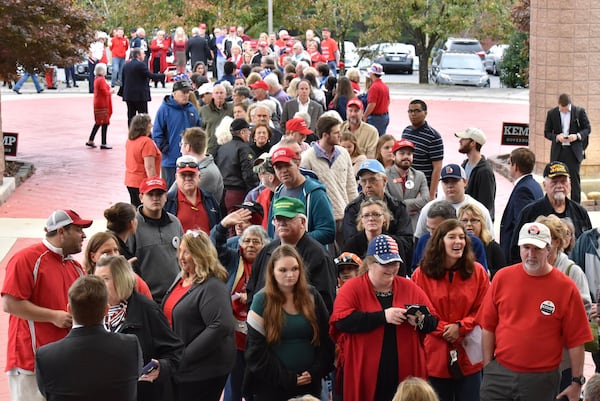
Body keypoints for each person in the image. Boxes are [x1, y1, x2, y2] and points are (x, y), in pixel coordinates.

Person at [477, 222, 592, 401]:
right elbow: (488, 326)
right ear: (519, 248)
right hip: (499, 374)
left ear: (549, 249)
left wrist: (577, 382)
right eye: (526, 247)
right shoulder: (502, 278)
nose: (531, 254)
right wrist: (489, 367)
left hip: (541, 378)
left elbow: (576, 340)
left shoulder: (565, 287)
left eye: (537, 248)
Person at [330, 234, 438, 401]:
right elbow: (341, 322)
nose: (392, 268)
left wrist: (419, 320)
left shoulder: (408, 287)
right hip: (365, 370)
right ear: (370, 263)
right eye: (386, 263)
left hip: (404, 372)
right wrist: (382, 316)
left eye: (395, 263)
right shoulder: (353, 287)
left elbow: (433, 321)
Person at [2, 209, 92, 401]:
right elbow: (10, 304)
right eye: (78, 230)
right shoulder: (26, 259)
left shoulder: (75, 267)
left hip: (65, 362)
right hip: (30, 361)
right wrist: (53, 316)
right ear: (61, 232)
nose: (84, 235)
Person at [412, 219, 489, 401]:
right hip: (434, 356)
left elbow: (484, 308)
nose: (458, 242)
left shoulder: (477, 272)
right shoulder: (421, 274)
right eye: (452, 237)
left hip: (469, 352)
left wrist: (461, 327)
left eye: (462, 237)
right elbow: (418, 311)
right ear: (440, 241)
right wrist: (445, 330)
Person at [245, 244, 335, 400]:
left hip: (310, 385)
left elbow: (327, 340)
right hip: (272, 387)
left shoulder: (312, 295)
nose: (290, 275)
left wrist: (315, 372)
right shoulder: (261, 301)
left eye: (295, 269)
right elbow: (255, 352)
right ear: (272, 272)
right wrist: (287, 378)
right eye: (283, 270)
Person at [35, 276, 142, 401]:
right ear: (106, 310)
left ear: (69, 309)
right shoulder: (130, 346)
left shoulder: (45, 356)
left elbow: (45, 391)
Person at [94, 255, 184, 401]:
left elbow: (175, 352)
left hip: (143, 393)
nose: (98, 285)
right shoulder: (93, 310)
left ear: (120, 279)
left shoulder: (147, 310)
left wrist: (161, 366)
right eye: (96, 279)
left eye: (105, 279)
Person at [161, 230, 235, 401]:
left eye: (187, 251)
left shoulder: (212, 286)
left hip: (202, 372)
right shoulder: (181, 278)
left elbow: (220, 325)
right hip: (180, 367)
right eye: (180, 250)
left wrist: (184, 356)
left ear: (201, 254)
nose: (181, 256)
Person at [212, 215, 269, 401]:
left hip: (260, 334)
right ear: (240, 244)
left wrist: (251, 298)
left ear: (265, 245)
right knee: (233, 386)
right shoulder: (231, 258)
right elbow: (216, 245)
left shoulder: (270, 264)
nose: (251, 245)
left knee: (257, 385)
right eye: (246, 241)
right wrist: (222, 226)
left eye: (256, 241)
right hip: (233, 333)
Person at [247, 196, 337, 314]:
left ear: (303, 222)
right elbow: (252, 288)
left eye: (287, 219)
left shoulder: (319, 256)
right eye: (278, 219)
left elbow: (325, 303)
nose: (281, 223)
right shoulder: (266, 251)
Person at [534, 214, 592, 393]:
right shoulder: (530, 268)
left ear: (558, 242)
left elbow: (583, 314)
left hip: (563, 361)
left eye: (547, 240)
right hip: (534, 361)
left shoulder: (572, 271)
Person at [509, 161, 592, 264]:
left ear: (570, 184)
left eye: (563, 181)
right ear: (545, 185)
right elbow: (516, 251)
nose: (559, 186)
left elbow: (590, 247)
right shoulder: (530, 213)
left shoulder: (580, 212)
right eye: (554, 182)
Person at [343, 159, 414, 275]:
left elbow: (407, 242)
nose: (368, 185)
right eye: (363, 181)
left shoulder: (398, 207)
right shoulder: (352, 210)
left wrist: (381, 243)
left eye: (372, 180)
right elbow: (349, 244)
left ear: (384, 181)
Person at [301, 115, 359, 250]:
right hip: (322, 220)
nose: (340, 135)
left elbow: (351, 185)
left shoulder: (344, 153)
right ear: (325, 135)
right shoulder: (307, 158)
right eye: (336, 133)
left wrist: (356, 212)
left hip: (345, 217)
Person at [128, 177, 183, 303]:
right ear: (141, 197)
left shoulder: (175, 222)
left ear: (166, 197)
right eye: (150, 194)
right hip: (146, 299)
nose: (155, 198)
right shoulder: (131, 226)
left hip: (175, 296)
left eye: (159, 194)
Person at [268, 147, 336, 246]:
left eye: (287, 165)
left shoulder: (315, 193)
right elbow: (271, 231)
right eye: (278, 167)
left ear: (298, 164)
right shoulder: (278, 192)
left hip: (308, 257)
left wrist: (295, 240)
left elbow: (328, 232)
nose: (283, 171)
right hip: (281, 256)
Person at [414, 164, 494, 239]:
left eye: (454, 181)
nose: (450, 185)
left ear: (465, 182)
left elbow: (490, 239)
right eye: (446, 182)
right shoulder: (429, 208)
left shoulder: (479, 209)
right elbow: (419, 238)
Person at [411, 200, 489, 274]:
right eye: (429, 228)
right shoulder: (424, 240)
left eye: (436, 230)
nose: (432, 234)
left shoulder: (474, 243)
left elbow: (482, 276)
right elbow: (414, 270)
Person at [152, 79, 202, 188]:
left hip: (191, 160)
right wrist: (166, 149)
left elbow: (199, 130)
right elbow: (157, 133)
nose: (186, 95)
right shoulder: (164, 109)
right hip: (171, 161)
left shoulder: (191, 109)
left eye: (188, 92)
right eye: (183, 92)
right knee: (171, 193)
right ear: (174, 93)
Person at [544, 93, 591, 203]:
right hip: (558, 152)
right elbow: (546, 132)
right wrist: (556, 137)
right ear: (558, 105)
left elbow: (587, 129)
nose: (564, 111)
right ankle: (555, 204)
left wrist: (577, 136)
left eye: (566, 110)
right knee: (555, 179)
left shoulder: (579, 112)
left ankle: (575, 207)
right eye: (562, 109)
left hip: (573, 151)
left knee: (574, 181)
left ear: (570, 105)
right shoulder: (552, 113)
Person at [499, 147, 544, 259]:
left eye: (510, 164)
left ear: (515, 167)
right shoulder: (534, 185)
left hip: (517, 254)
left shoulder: (523, 190)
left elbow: (522, 223)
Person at [82, 231, 152, 298]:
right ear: (93, 257)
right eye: (106, 252)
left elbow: (148, 306)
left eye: (116, 250)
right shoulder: (85, 284)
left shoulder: (134, 279)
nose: (114, 255)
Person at [165, 155, 221, 233]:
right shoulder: (167, 202)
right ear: (176, 178)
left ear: (199, 177)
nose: (188, 178)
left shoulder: (210, 199)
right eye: (183, 175)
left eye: (191, 175)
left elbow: (218, 229)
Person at [214, 118, 259, 213]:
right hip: (238, 194)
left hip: (222, 194)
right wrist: (255, 191)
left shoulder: (222, 148)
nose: (250, 134)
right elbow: (249, 174)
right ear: (242, 132)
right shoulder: (244, 149)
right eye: (248, 131)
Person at [402, 99, 444, 200]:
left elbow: (437, 168)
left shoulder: (433, 137)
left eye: (417, 111)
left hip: (424, 188)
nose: (413, 114)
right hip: (407, 185)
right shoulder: (406, 132)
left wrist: (432, 194)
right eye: (410, 111)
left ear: (425, 113)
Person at [385, 139, 430, 232]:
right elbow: (386, 200)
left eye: (409, 154)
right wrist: (413, 205)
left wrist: (401, 205)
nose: (406, 156)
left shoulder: (420, 176)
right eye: (402, 153)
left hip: (414, 226)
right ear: (393, 156)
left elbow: (426, 199)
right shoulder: (385, 175)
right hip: (393, 226)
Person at [456, 127, 496, 218]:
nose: (460, 141)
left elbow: (486, 204)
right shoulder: (464, 165)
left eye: (464, 139)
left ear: (473, 143)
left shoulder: (485, 171)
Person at [121, 48, 166, 126]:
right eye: (143, 53)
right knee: (144, 116)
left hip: (128, 94)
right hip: (140, 95)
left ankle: (131, 133)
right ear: (138, 55)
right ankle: (145, 134)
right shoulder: (141, 65)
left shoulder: (126, 65)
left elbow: (123, 79)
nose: (144, 55)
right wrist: (164, 75)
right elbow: (151, 76)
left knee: (131, 116)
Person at [458, 203, 505, 278]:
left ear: (482, 223)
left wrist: (488, 273)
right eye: (464, 221)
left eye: (473, 220)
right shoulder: (456, 247)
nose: (469, 224)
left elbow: (504, 273)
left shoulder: (493, 247)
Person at [177, 127, 224, 202]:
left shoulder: (206, 173)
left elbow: (177, 198)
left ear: (187, 147)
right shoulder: (204, 168)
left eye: (181, 145)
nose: (180, 150)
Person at [124, 113, 161, 206]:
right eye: (149, 123)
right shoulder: (146, 142)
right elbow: (149, 167)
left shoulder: (130, 141)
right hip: (142, 182)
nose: (151, 125)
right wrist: (154, 185)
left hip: (130, 180)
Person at [201, 83, 235, 155]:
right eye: (216, 93)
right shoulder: (204, 110)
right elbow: (201, 129)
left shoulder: (232, 108)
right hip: (211, 147)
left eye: (221, 93)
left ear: (225, 95)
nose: (219, 95)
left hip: (228, 146)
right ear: (212, 95)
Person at [86, 63, 113, 149]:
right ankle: (103, 142)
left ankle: (91, 139)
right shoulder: (101, 80)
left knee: (98, 122)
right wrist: (111, 92)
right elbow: (104, 92)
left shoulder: (97, 79)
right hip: (102, 103)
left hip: (99, 102)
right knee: (104, 122)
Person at [362, 63, 389, 135]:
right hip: (384, 116)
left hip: (376, 117)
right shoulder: (385, 86)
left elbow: (372, 104)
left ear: (372, 73)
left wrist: (365, 116)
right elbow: (388, 101)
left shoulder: (374, 87)